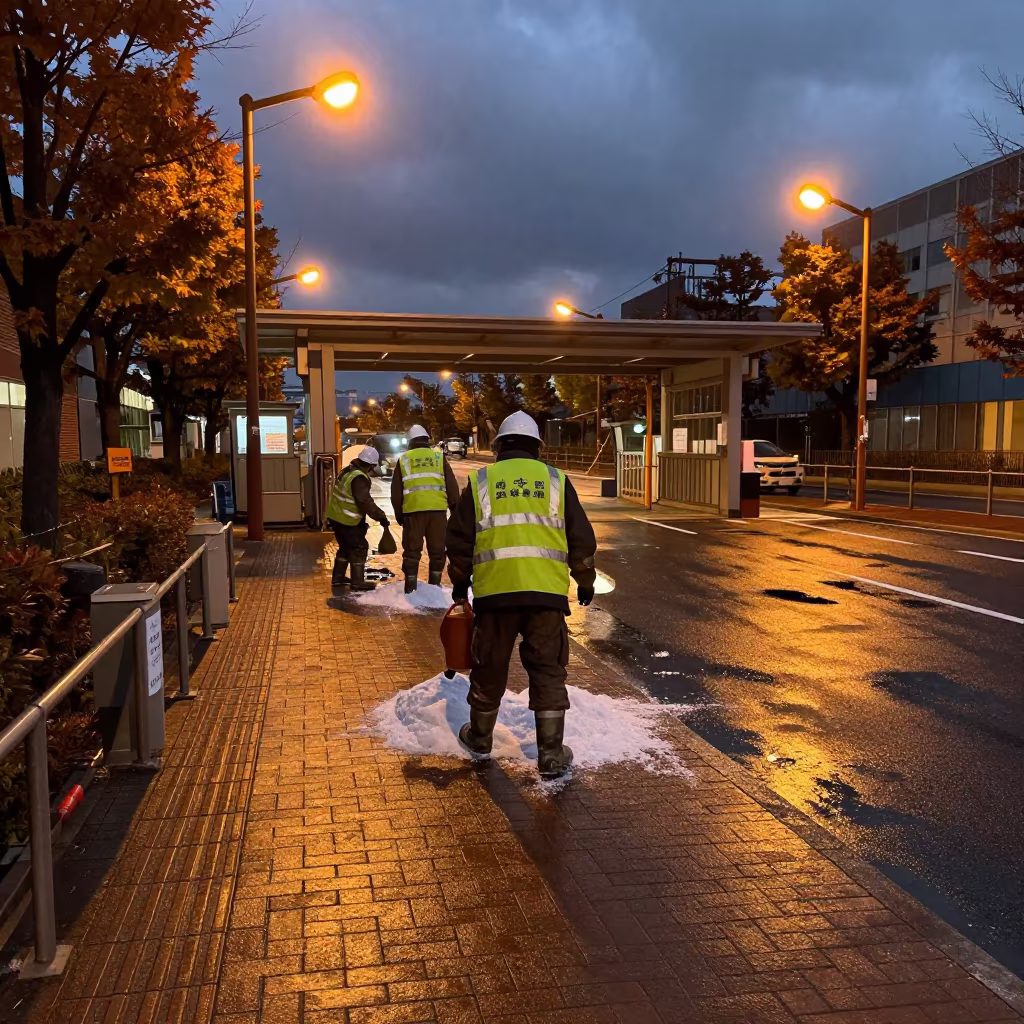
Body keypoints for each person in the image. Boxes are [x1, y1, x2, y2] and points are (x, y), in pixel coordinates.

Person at [446, 411, 597, 778]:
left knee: (490, 664)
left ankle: (480, 737)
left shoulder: (483, 480)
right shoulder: (557, 481)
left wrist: (460, 580)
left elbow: (461, 538)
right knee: (547, 668)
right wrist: (585, 578)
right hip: (545, 596)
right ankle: (550, 753)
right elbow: (580, 536)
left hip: (495, 595)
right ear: (537, 447)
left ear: (499, 446)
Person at [391, 424, 460, 593]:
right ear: (427, 440)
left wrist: (400, 515)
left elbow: (396, 492)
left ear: (410, 441)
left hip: (413, 512)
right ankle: (434, 588)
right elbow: (452, 486)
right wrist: (455, 511)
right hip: (437, 512)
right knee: (437, 551)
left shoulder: (404, 459)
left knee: (412, 552)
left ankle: (410, 589)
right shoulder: (438, 457)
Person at [325, 445, 390, 591]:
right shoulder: (359, 477)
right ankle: (357, 582)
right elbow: (364, 501)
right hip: (348, 520)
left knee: (345, 547)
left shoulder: (347, 471)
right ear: (371, 465)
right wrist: (381, 517)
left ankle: (338, 578)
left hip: (336, 517)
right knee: (359, 547)